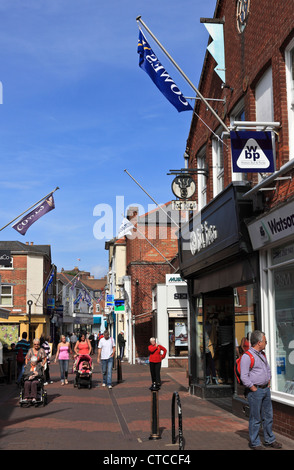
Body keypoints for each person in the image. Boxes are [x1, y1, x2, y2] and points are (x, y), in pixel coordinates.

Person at [240, 330, 282, 450]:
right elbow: (244, 376)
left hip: (265, 390)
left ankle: (269, 440)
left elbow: (267, 369)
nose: (266, 343)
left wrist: (268, 382)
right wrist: (253, 388)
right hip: (255, 391)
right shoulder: (247, 357)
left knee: (268, 416)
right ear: (259, 342)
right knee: (255, 418)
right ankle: (255, 443)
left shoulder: (262, 354)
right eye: (265, 341)